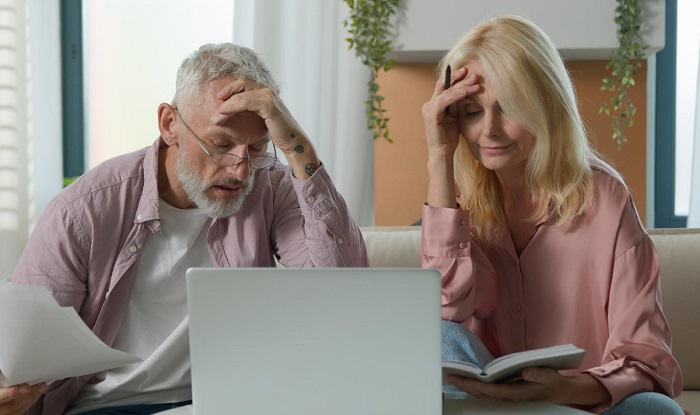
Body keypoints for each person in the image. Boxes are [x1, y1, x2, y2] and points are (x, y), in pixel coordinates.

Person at [3, 43, 368, 415]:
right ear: (169, 124)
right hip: (112, 406)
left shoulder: (269, 184)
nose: (240, 170)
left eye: (257, 148)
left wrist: (297, 147)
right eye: (220, 145)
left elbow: (342, 291)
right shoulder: (83, 210)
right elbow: (25, 352)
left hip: (233, 401)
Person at [420, 15, 684, 414]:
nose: (488, 130)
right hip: (494, 407)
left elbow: (648, 363)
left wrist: (559, 391)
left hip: (578, 405)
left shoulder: (606, 199)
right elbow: (447, 309)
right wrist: (439, 157)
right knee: (437, 335)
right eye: (472, 111)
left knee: (656, 410)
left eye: (508, 108)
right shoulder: (460, 203)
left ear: (545, 104)